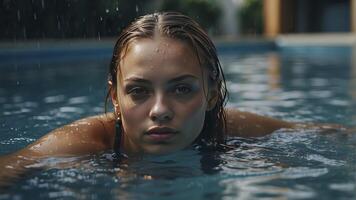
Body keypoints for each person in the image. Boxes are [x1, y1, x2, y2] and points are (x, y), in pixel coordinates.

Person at [0, 12, 347, 186]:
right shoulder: (80, 144)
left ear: (211, 94)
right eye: (138, 90)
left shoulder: (231, 128)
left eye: (182, 89)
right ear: (115, 98)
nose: (161, 110)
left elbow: (326, 133)